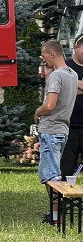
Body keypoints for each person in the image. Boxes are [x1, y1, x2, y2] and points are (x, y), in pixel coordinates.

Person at [37, 40, 77, 224]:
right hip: (63, 129)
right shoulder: (73, 74)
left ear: (52, 54)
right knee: (51, 174)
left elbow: (50, 105)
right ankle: (54, 214)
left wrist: (37, 112)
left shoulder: (57, 76)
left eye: (44, 56)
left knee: (51, 176)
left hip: (51, 129)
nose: (43, 59)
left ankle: (55, 217)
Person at [60, 34, 83, 182]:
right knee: (65, 170)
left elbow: (70, 88)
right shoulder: (65, 67)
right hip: (69, 127)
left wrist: (74, 85)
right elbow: (62, 91)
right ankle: (61, 203)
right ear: (76, 47)